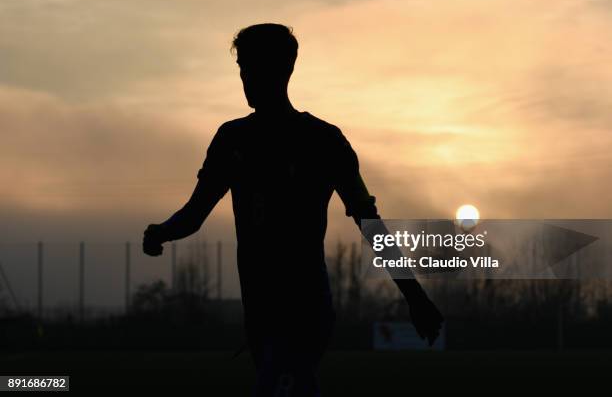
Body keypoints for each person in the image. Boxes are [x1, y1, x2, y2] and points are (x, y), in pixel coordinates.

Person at [143, 23, 443, 396]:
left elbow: (370, 225)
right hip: (259, 310)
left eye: (252, 68)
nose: (245, 79)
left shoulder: (323, 141)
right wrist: (163, 231)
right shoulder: (231, 139)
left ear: (283, 70)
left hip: (305, 305)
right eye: (242, 70)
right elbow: (194, 213)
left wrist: (415, 297)